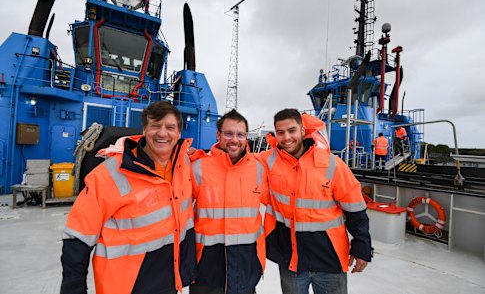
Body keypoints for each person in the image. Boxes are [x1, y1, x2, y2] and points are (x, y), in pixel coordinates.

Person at [60, 101, 196, 294]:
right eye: (155, 126)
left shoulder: (184, 164)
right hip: (126, 286)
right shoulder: (109, 175)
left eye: (170, 127)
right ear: (144, 130)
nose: (163, 133)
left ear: (179, 133)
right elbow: (77, 237)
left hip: (170, 281)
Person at [260, 108, 372, 294]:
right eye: (280, 132)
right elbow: (239, 162)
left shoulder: (333, 164)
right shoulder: (268, 162)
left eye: (292, 130)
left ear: (303, 131)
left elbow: (356, 209)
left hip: (329, 259)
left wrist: (362, 247)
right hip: (291, 259)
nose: (286, 137)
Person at [190, 109, 269, 294]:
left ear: (246, 136)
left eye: (240, 134)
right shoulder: (198, 167)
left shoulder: (258, 168)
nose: (235, 140)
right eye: (228, 133)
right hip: (207, 269)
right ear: (218, 135)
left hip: (246, 266)